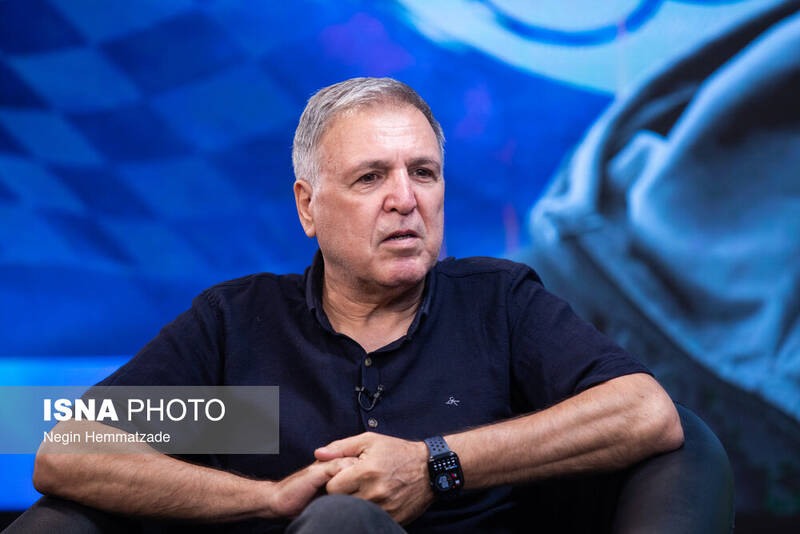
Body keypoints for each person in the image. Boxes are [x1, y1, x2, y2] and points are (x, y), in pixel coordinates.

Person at [17, 77, 683, 533]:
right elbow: (71, 453)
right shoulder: (240, 323)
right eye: (371, 177)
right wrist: (269, 499)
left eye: (423, 173)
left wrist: (435, 464)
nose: (406, 200)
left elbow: (644, 413)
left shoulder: (497, 304)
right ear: (308, 206)